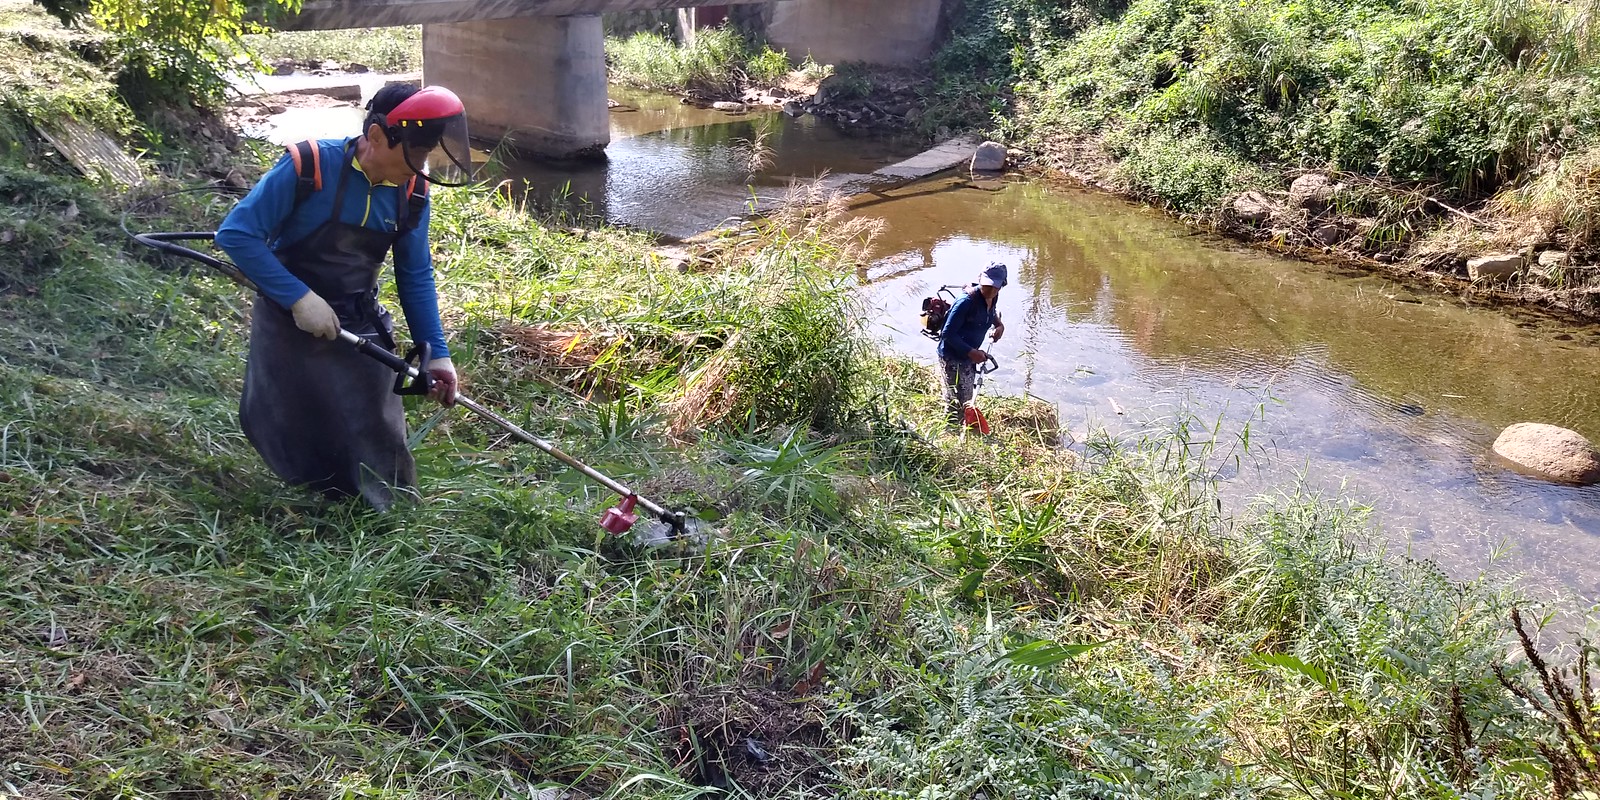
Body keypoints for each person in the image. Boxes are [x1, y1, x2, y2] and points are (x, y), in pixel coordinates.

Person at [216, 83, 477, 510]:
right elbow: (237, 234)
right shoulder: (309, 167)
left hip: (358, 317)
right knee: (290, 423)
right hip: (289, 319)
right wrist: (298, 298)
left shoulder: (412, 192)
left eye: (426, 154)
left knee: (377, 426)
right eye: (412, 153)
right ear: (375, 137)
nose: (419, 166)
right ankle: (317, 503)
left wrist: (439, 354)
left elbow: (414, 276)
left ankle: (393, 520)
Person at [936, 263, 1007, 426]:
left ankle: (961, 422)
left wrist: (999, 325)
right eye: (986, 285)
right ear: (980, 280)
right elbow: (946, 334)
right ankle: (950, 428)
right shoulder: (965, 302)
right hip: (952, 355)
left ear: (1002, 285)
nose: (989, 290)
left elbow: (991, 312)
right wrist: (971, 352)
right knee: (955, 397)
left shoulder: (992, 297)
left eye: (995, 287)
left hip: (969, 355)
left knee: (966, 393)